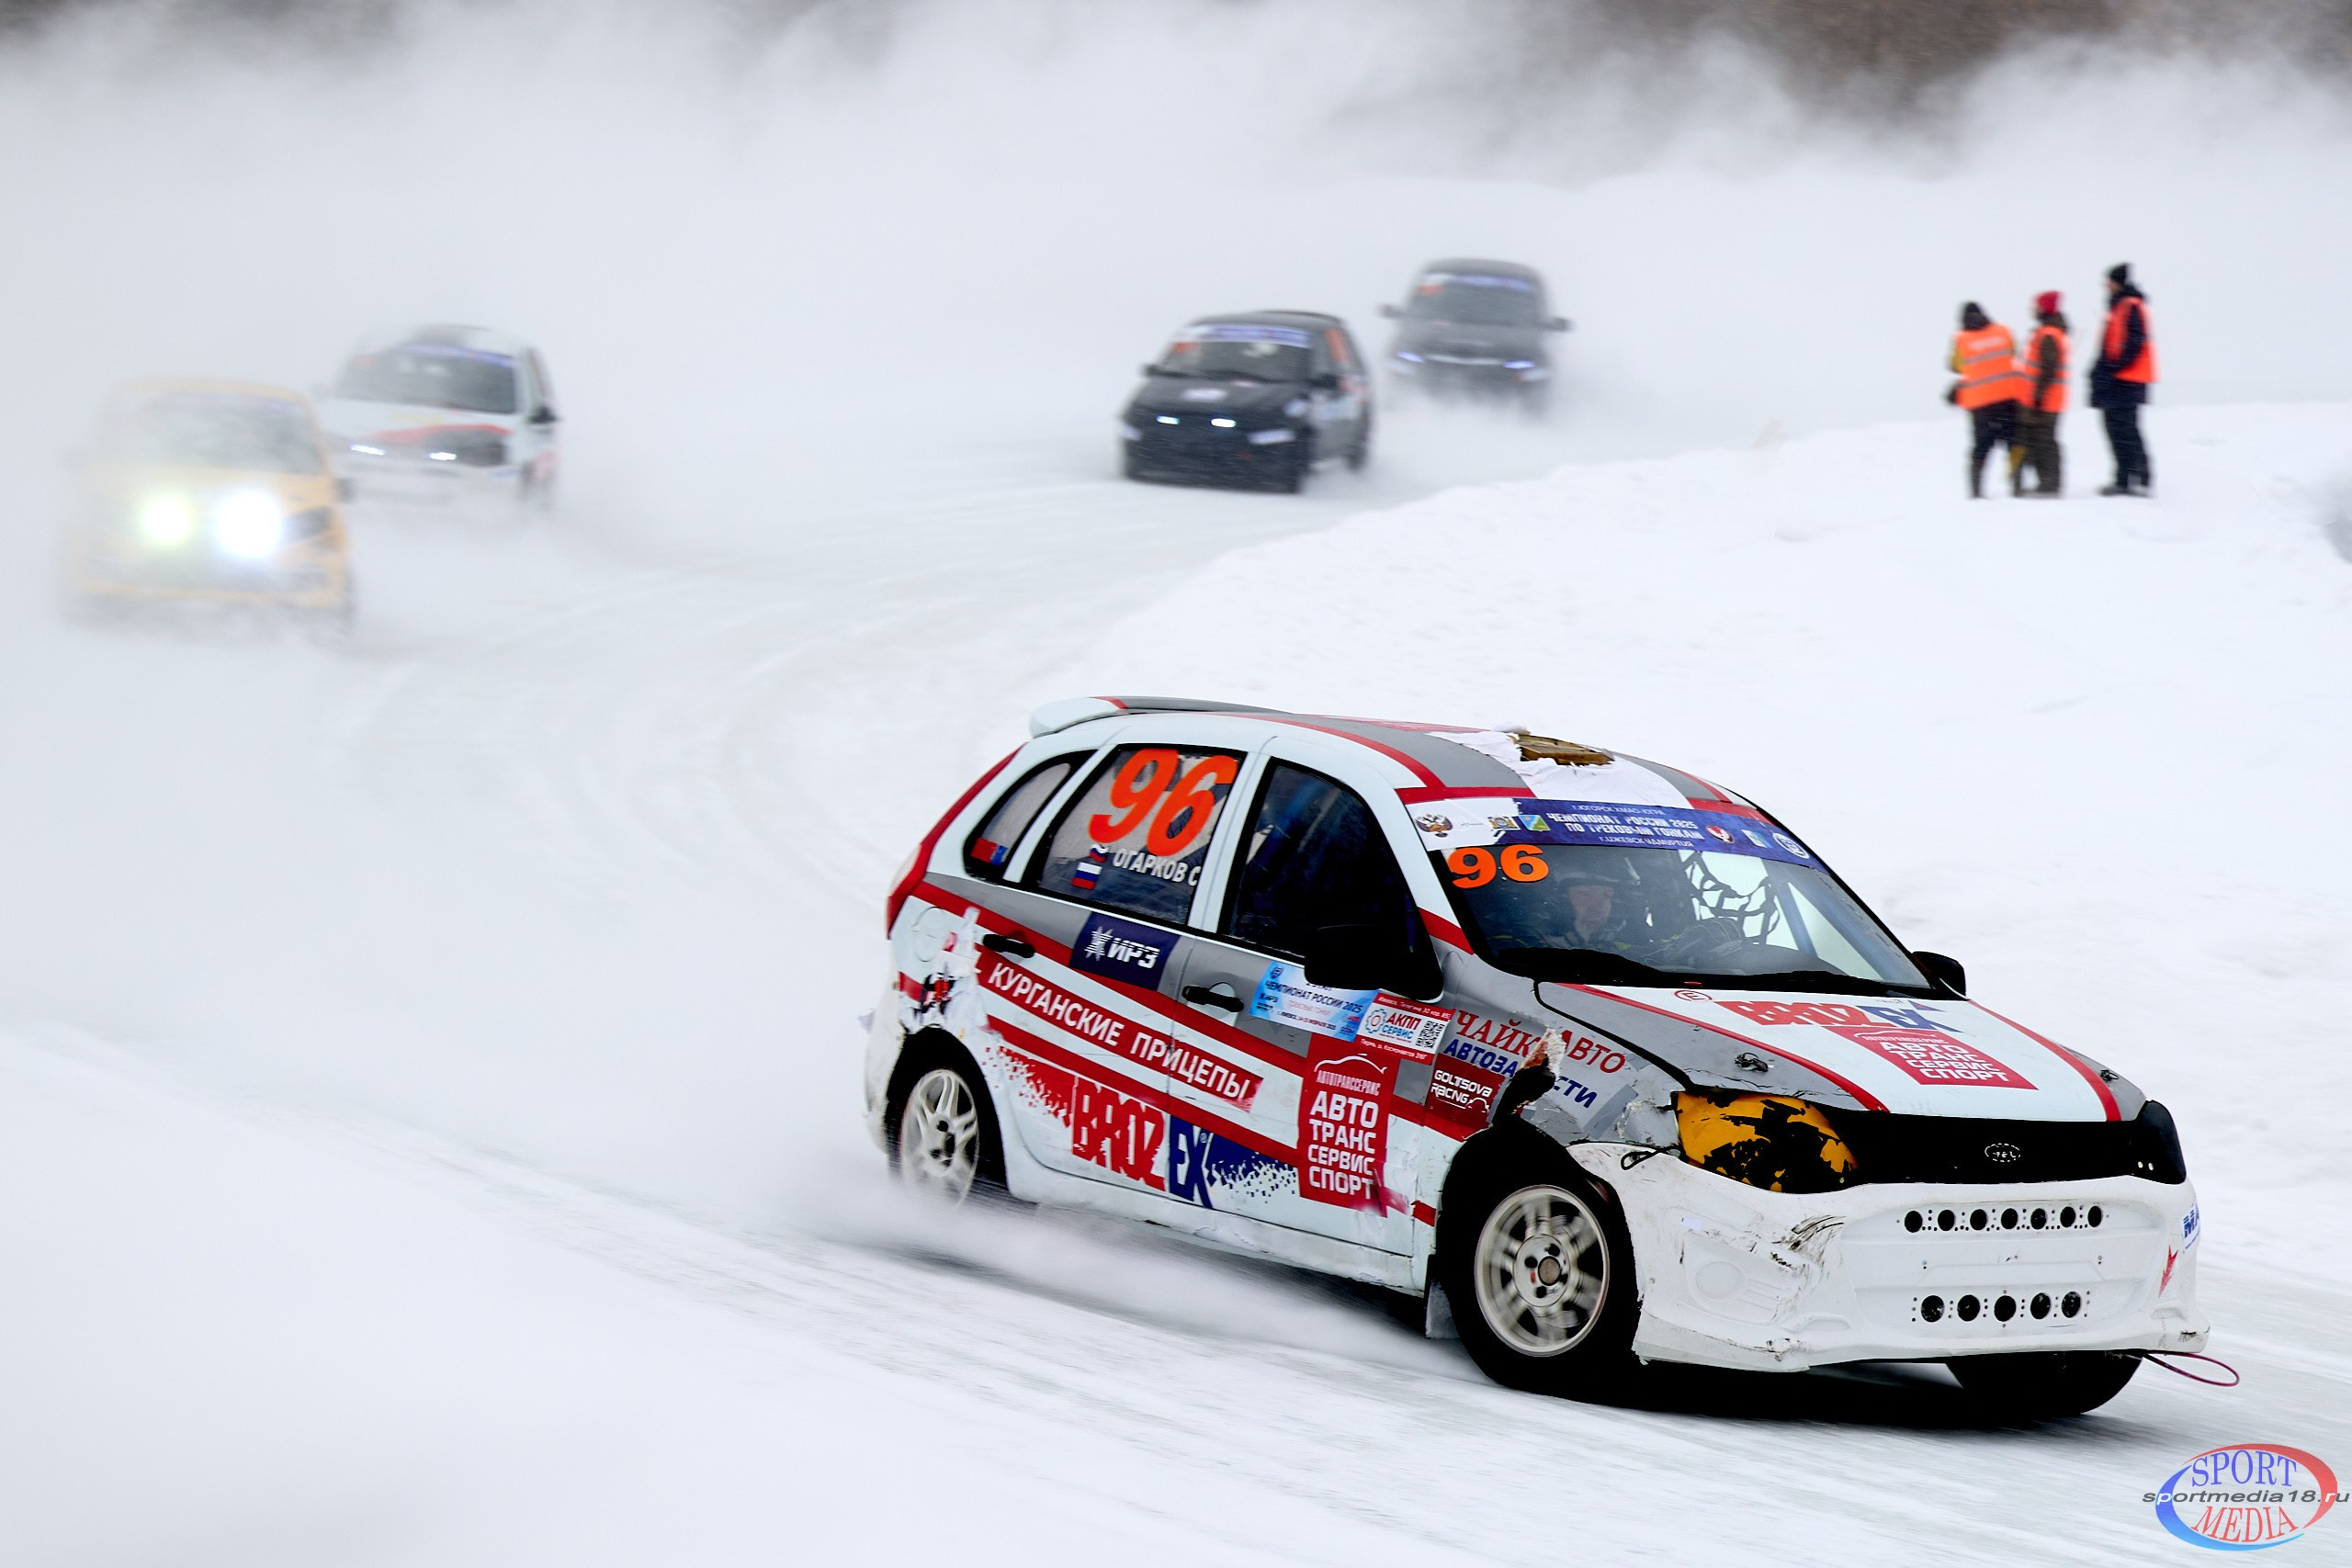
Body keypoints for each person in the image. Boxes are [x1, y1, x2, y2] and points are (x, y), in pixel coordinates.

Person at [1947, 302, 2028, 498]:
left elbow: (1955, 366)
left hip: (1980, 404)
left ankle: (1976, 491)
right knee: (2013, 443)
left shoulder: (1961, 339)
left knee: (1981, 447)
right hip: (2007, 397)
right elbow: (2014, 352)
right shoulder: (2003, 331)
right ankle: (2017, 486)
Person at [2090, 263, 2156, 496]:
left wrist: (2114, 366)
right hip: (2118, 379)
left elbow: (2135, 342)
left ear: (2116, 282)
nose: (2105, 286)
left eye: (2108, 281)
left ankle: (2138, 479)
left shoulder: (2131, 306)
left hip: (2127, 380)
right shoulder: (2118, 307)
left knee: (2126, 431)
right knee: (2116, 429)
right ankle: (2124, 478)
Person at [2015, 290, 2068, 496]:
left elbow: (2048, 369)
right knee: (2041, 442)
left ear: (2044, 308)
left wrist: (2038, 396)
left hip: (2045, 400)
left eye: (2036, 306)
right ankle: (2047, 483)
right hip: (2040, 399)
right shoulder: (2046, 332)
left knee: (2045, 443)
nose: (2033, 310)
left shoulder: (2048, 335)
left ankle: (2050, 485)